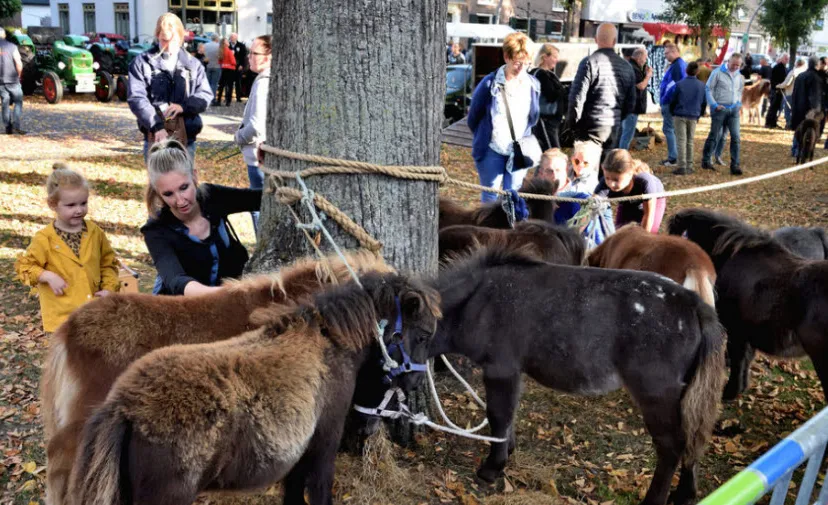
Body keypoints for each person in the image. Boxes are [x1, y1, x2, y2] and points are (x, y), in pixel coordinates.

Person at [141, 139, 262, 296]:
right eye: (168, 194)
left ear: (194, 177)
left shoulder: (212, 197)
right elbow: (176, 280)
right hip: (182, 310)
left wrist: (266, 164)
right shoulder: (155, 230)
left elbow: (260, 199)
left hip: (230, 303)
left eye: (184, 188)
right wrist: (227, 295)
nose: (180, 200)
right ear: (158, 193)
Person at [14, 164, 120, 332]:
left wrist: (108, 289)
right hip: (62, 320)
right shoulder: (45, 239)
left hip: (95, 314)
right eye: (71, 205)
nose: (79, 210)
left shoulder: (94, 232)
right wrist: (46, 275)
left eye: (83, 203)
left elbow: (108, 264)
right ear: (52, 204)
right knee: (68, 359)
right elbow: (25, 267)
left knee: (93, 357)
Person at [127, 13, 213, 163]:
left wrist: (183, 107)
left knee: (185, 181)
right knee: (157, 184)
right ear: (157, 35)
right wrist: (156, 126)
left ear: (181, 37)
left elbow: (205, 95)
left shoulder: (193, 64)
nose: (168, 45)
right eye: (163, 40)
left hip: (186, 138)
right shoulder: (141, 63)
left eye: (173, 40)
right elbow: (137, 98)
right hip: (155, 137)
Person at [466, 31, 540, 203]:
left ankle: (510, 230)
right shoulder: (489, 84)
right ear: (507, 57)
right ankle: (488, 230)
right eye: (517, 63)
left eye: (526, 63)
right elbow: (473, 118)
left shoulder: (533, 85)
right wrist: (484, 137)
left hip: (519, 151)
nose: (522, 68)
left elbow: (533, 118)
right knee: (490, 196)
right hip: (492, 149)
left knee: (513, 197)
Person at [567, 23, 636, 159]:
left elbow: (576, 98)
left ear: (596, 39)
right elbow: (631, 102)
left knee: (585, 170)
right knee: (606, 169)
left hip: (589, 126)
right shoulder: (627, 67)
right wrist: (617, 118)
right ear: (615, 41)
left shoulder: (589, 63)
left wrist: (572, 125)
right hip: (612, 126)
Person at [235, 35, 271, 233]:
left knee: (258, 209)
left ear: (269, 56)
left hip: (258, 157)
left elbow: (257, 125)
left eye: (254, 53)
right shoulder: (264, 80)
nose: (249, 57)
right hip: (261, 155)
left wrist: (239, 137)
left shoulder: (264, 82)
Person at [594, 149, 665, 233]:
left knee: (646, 236)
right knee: (620, 235)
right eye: (607, 178)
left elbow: (648, 215)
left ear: (630, 174)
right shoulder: (604, 184)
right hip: (627, 202)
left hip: (654, 201)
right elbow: (590, 206)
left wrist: (642, 241)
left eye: (616, 180)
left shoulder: (645, 181)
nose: (611, 184)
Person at [701, 53, 745, 175]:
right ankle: (706, 160)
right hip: (719, 109)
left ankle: (735, 165)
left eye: (738, 65)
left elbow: (740, 90)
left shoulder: (739, 76)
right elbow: (708, 88)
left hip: (734, 110)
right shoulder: (717, 72)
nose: (736, 67)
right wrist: (714, 105)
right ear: (728, 61)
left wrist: (738, 103)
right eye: (734, 64)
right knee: (714, 135)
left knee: (736, 137)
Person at [670, 61, 707, 175]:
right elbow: (704, 102)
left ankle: (681, 166)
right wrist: (699, 114)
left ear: (686, 70)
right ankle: (689, 165)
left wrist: (673, 112)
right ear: (698, 72)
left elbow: (673, 100)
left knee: (681, 140)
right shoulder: (702, 85)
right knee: (690, 141)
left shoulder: (679, 84)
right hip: (693, 115)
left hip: (680, 114)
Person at [529, 43, 565, 150]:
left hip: (553, 123)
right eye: (554, 57)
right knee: (553, 153)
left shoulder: (550, 75)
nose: (556, 60)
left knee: (549, 154)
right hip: (544, 121)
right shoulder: (538, 74)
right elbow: (551, 95)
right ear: (544, 57)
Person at [790, 56, 824, 158]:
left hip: (798, 107)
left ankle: (795, 149)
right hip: (809, 110)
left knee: (798, 130)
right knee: (807, 132)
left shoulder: (800, 76)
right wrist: (816, 109)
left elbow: (794, 93)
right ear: (816, 65)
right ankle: (803, 153)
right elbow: (815, 95)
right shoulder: (815, 78)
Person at [658, 43, 686, 167]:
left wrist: (665, 98)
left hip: (669, 102)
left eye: (666, 53)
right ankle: (675, 156)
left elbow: (675, 86)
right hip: (670, 102)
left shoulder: (677, 66)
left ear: (674, 52)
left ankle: (673, 157)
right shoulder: (677, 65)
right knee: (672, 129)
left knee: (668, 129)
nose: (665, 56)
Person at [619, 47, 653, 150]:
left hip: (627, 105)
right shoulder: (633, 68)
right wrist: (648, 76)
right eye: (645, 58)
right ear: (639, 57)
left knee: (624, 133)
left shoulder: (629, 65)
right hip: (632, 107)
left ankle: (619, 155)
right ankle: (621, 157)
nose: (645, 60)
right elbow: (641, 86)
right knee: (627, 134)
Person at [0, 27, 26, 135]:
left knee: (5, 103)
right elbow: (19, 64)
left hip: (0, 82)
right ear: (4, 35)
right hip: (13, 80)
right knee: (18, 102)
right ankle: (16, 125)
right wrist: (18, 75)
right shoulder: (12, 47)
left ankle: (7, 127)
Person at [778, 58, 806, 129]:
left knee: (788, 110)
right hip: (801, 95)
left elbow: (787, 83)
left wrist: (779, 86)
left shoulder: (794, 71)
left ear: (797, 64)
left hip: (790, 93)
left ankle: (789, 124)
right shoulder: (805, 72)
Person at [765, 53, 789, 128]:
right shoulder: (778, 67)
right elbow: (773, 80)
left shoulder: (783, 67)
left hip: (779, 90)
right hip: (776, 90)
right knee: (773, 107)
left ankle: (773, 122)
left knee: (776, 108)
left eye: (787, 59)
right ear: (781, 59)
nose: (787, 60)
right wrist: (777, 87)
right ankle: (769, 123)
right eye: (785, 58)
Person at [215, 38, 236, 106]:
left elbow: (219, 61)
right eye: (227, 41)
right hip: (230, 69)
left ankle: (218, 100)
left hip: (223, 68)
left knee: (221, 85)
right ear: (225, 43)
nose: (228, 42)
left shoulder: (220, 51)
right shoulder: (229, 51)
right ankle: (228, 101)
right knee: (229, 86)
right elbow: (233, 62)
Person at [228, 33, 247, 104]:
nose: (232, 38)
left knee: (238, 83)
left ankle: (238, 98)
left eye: (233, 37)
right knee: (229, 83)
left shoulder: (241, 45)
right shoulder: (227, 45)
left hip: (238, 66)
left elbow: (243, 56)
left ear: (236, 38)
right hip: (229, 67)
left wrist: (242, 65)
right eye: (231, 37)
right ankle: (228, 98)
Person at [204, 34, 221, 103]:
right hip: (216, 66)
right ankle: (212, 99)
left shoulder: (205, 45)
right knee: (214, 84)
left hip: (208, 66)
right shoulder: (219, 46)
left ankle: (206, 98)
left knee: (207, 83)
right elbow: (221, 56)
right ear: (217, 39)